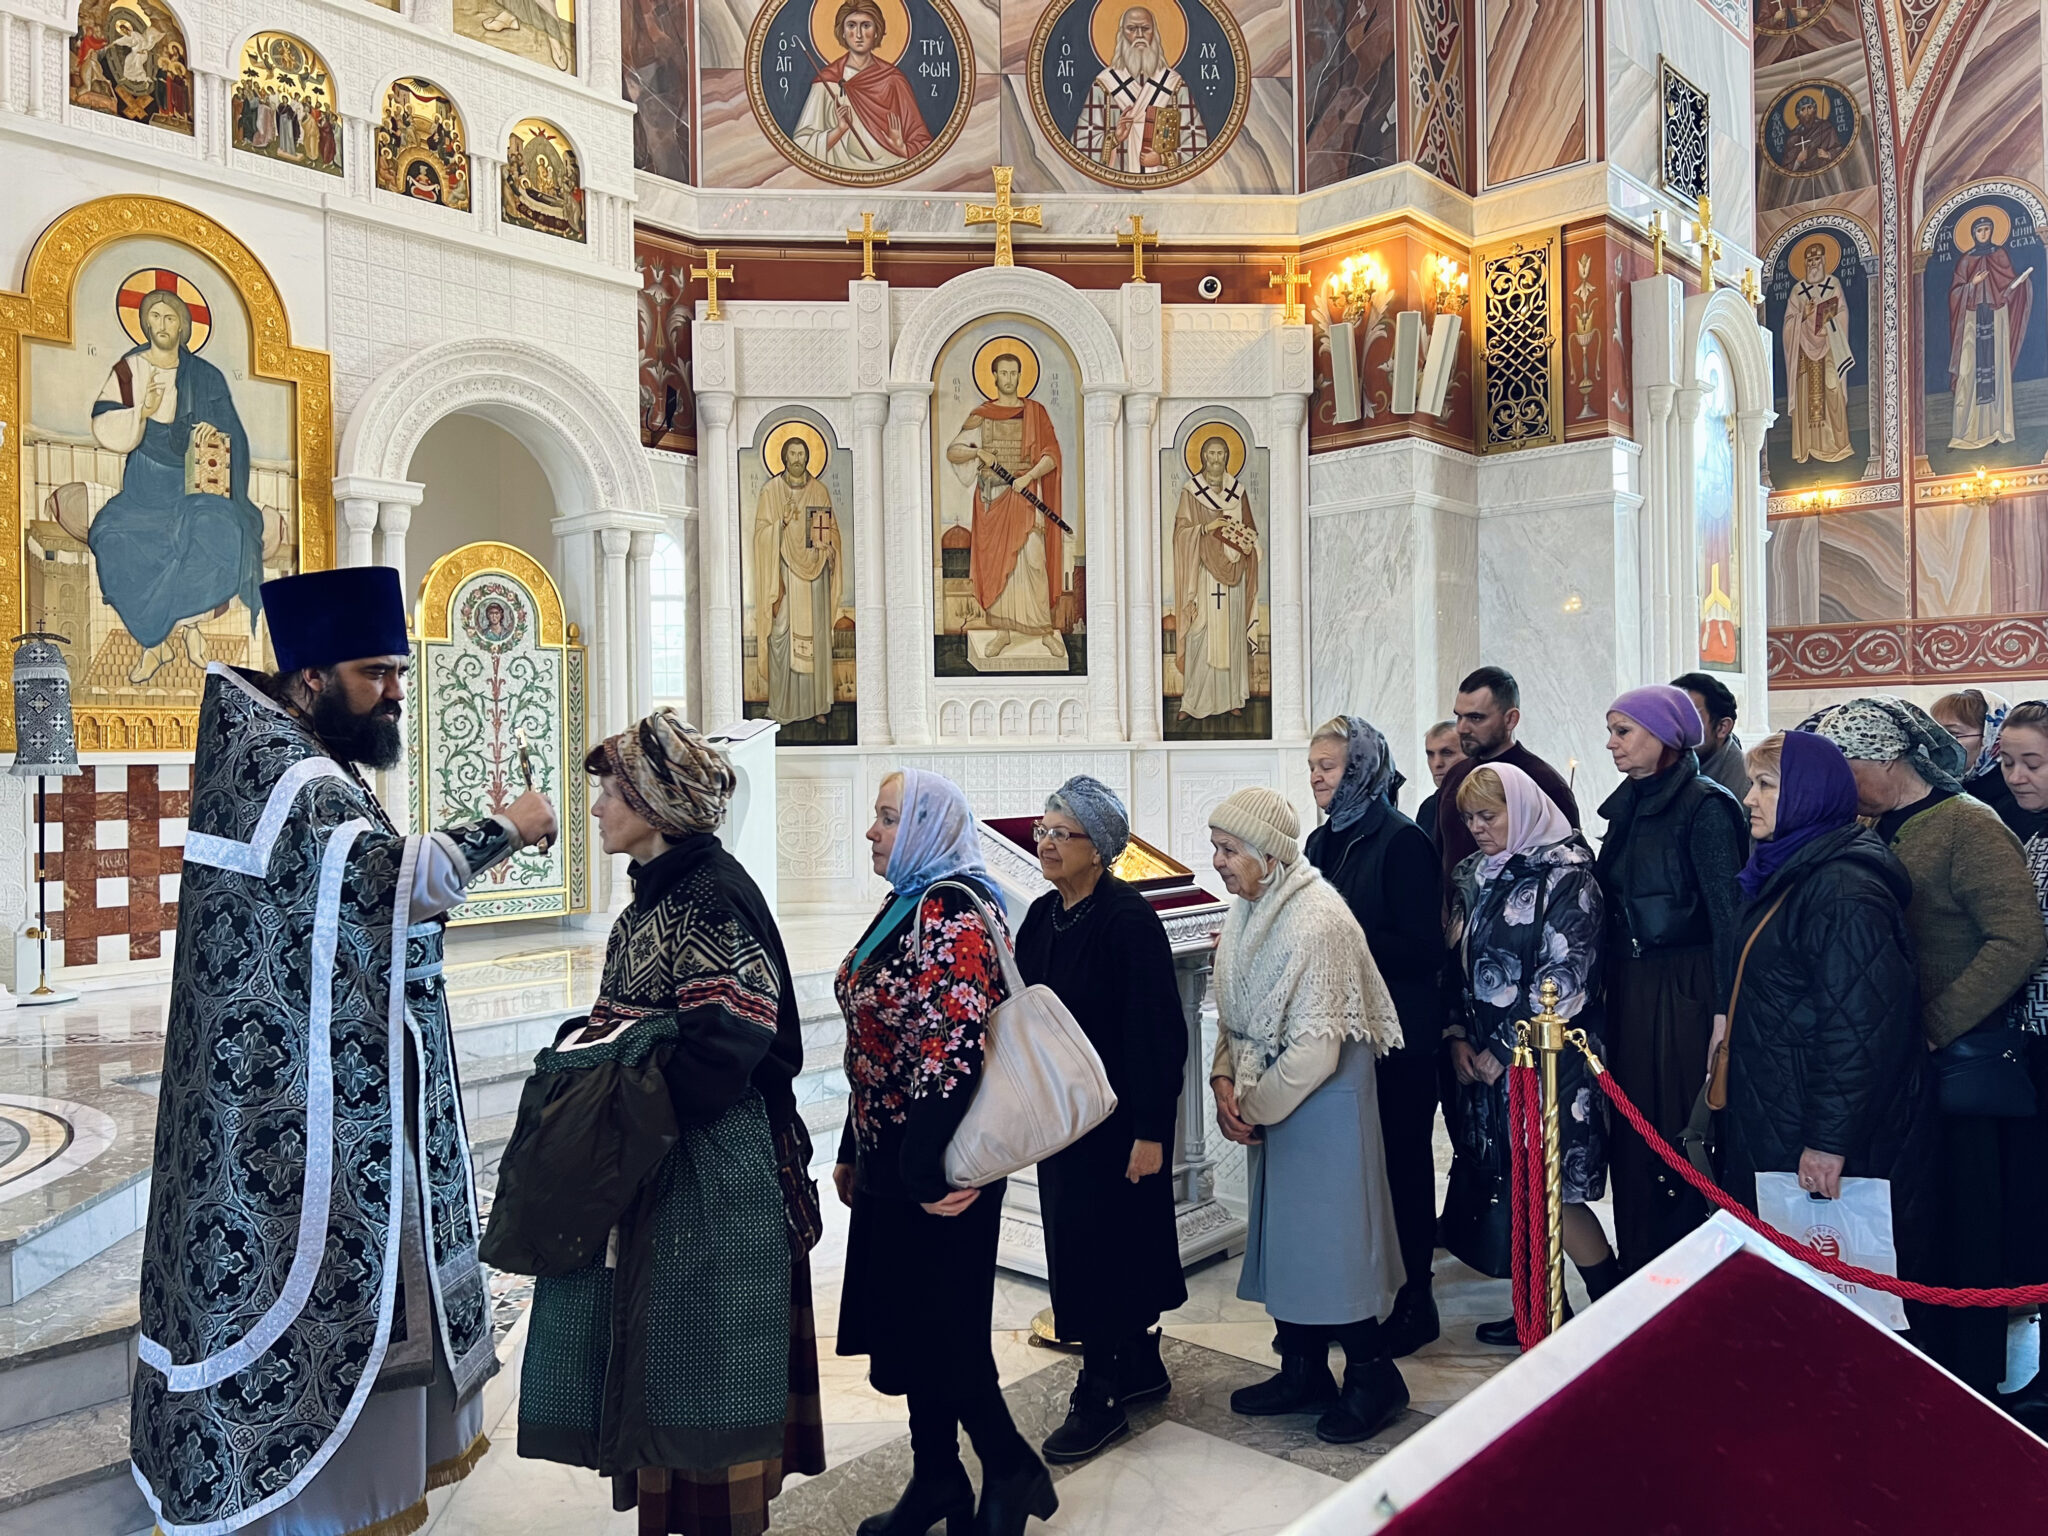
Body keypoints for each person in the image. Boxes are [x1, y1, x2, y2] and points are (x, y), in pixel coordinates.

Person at [130, 567, 559, 1536]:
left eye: (399, 671)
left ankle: (363, 1493)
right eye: (376, 673)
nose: (395, 691)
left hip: (315, 1074)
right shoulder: (293, 774)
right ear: (313, 674)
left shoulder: (295, 752)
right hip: (291, 1105)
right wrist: (510, 827)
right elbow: (390, 879)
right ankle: (313, 1511)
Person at [507, 709, 825, 1535]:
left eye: (612, 792)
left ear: (656, 804)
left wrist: (616, 1112)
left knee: (708, 1391)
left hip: (714, 1183)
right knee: (664, 1383)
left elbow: (728, 1045)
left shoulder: (710, 897)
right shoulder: (657, 894)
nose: (597, 807)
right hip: (669, 1173)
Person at [833, 770, 1057, 1536]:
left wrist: (924, 1172)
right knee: (913, 1332)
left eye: (889, 817)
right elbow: (880, 1040)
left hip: (942, 1159)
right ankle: (937, 1480)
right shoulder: (906, 902)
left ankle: (1011, 1468)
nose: (873, 831)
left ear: (929, 829)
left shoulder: (953, 912)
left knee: (947, 1333)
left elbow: (951, 1048)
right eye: (878, 815)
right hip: (894, 1152)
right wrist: (854, 1145)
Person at [1804, 696, 2047, 1395]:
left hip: (1957, 1066)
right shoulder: (1869, 824)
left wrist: (1937, 1025)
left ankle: (1970, 1380)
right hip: (1902, 1066)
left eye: (1845, 766)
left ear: (1886, 760)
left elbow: (2017, 940)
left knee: (1968, 1230)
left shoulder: (1967, 825)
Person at [1206, 787, 1410, 1445]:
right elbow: (1234, 1010)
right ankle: (1302, 1369)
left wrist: (1250, 1106)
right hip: (1276, 1104)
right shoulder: (1250, 909)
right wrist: (1223, 1078)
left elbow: (1317, 1052)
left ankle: (1374, 1377)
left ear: (1269, 855)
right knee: (1288, 1246)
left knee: (1334, 1249)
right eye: (1217, 847)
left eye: (1228, 849)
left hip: (1323, 1114)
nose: (1218, 861)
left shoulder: (1318, 920)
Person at [1721, 731, 1934, 1296]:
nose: (1750, 798)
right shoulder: (1792, 870)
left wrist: (1827, 1141)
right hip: (1782, 1108)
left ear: (1809, 794)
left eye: (1767, 785)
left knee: (1839, 1295)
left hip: (1816, 1128)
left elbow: (1860, 1030)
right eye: (1753, 784)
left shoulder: (1842, 890)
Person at [1014, 776, 1187, 1462]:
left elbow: (1157, 1034)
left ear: (1101, 847)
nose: (1047, 843)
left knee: (1112, 1250)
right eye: (1043, 831)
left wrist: (1152, 1132)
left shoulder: (1127, 920)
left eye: (1063, 834)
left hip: (1119, 1122)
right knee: (1077, 1245)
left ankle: (1102, 1392)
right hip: (1064, 1119)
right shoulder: (1042, 915)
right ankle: (1138, 1364)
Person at [1446, 763, 1618, 1345]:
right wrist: (1457, 1034)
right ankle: (1541, 1307)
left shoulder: (1566, 875)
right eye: (1469, 818)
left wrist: (1503, 1044)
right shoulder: (1473, 873)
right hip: (1488, 1061)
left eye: (1488, 815)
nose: (1477, 828)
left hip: (1550, 1057)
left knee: (1555, 1188)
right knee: (1521, 1185)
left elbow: (1567, 974)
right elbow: (1454, 962)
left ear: (1520, 811)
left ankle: (1613, 1303)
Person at [1594, 686, 1748, 1273]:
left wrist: (1723, 1012)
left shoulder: (1706, 806)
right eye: (1611, 731)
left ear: (1663, 736)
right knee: (1635, 1129)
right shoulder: (1627, 805)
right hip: (1631, 984)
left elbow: (1727, 919)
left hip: (1686, 987)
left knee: (1680, 1126)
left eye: (1623, 731)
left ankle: (1691, 1270)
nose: (1612, 744)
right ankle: (1642, 1266)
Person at [1303, 718, 1444, 1356]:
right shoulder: (1321, 839)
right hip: (1341, 1027)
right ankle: (1360, 1294)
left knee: (1402, 1166)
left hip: (1398, 1034)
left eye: (1329, 766)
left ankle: (1416, 1300)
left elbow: (1423, 949)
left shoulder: (1402, 840)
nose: (1317, 777)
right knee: (1354, 1170)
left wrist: (1344, 934)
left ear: (1360, 768)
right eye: (1313, 766)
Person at [89, 287, 267, 685]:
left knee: (220, 534)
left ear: (184, 327)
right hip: (144, 488)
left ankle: (189, 627)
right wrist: (142, 412)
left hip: (194, 487)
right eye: (154, 317)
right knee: (110, 536)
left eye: (170, 318)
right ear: (144, 322)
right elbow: (104, 424)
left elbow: (233, 435)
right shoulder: (129, 370)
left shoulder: (206, 376)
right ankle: (155, 644)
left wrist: (214, 431)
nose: (162, 325)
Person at [1988, 701, 2048, 1425]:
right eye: (2007, 762)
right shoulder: (2020, 831)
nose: (2016, 775)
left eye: (2032, 762)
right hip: (2028, 1042)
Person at [945, 352, 1065, 663]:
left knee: (1035, 561)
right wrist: (978, 453)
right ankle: (1002, 632)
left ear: (1020, 376)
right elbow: (954, 451)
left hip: (1025, 497)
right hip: (993, 500)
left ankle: (1045, 631)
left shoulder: (1035, 412)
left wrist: (1029, 476)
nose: (1009, 379)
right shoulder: (983, 416)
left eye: (1014, 373)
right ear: (995, 377)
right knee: (999, 568)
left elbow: (1052, 455)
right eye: (1004, 373)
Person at [1435, 666, 1580, 885]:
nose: (1462, 728)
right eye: (1459, 717)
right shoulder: (1456, 775)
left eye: (1475, 717)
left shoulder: (1545, 783)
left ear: (1511, 719)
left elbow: (1567, 867)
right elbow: (1442, 857)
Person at [752, 434, 843, 725]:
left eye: (801, 453)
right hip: (784, 574)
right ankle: (781, 707)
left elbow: (830, 531)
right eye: (792, 454)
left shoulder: (819, 491)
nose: (797, 459)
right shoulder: (771, 491)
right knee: (781, 633)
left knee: (816, 637)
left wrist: (828, 546)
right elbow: (760, 534)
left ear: (808, 457)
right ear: (783, 457)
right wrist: (781, 524)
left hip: (815, 576)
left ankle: (817, 705)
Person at [1171, 433, 1259, 721]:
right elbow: (1181, 534)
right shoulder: (1191, 492)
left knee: (1231, 634)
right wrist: (1205, 529)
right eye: (1211, 453)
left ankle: (1232, 698)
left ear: (1228, 457)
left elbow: (1250, 530)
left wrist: (1248, 545)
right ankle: (1193, 701)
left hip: (1233, 576)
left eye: (1221, 453)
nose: (1216, 459)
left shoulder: (1238, 492)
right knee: (1200, 632)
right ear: (1202, 457)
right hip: (1203, 574)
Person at [791, 0, 933, 171]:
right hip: (841, 169)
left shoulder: (893, 79)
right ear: (842, 32)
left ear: (876, 31)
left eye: (866, 26)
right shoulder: (827, 82)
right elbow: (802, 145)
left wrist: (901, 147)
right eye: (851, 26)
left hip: (892, 166)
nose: (858, 34)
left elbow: (922, 142)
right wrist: (839, 130)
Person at [1073, 6, 1209, 175]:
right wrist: (1115, 138)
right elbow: (1082, 144)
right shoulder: (1104, 84)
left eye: (1145, 28)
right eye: (1131, 28)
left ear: (1154, 33)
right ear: (1122, 34)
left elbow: (1197, 143)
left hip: (1165, 183)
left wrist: (1163, 159)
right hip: (1118, 181)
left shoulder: (1173, 84)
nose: (1139, 35)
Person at [1948, 212, 2034, 452]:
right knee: (1968, 373)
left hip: (1997, 319)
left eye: (1987, 229)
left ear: (1992, 231)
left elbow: (2009, 288)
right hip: (1971, 320)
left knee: (1996, 372)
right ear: (1973, 234)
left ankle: (1997, 429)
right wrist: (1971, 285)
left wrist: (2019, 285)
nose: (1983, 234)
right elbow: (1955, 294)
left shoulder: (2000, 255)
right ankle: (1965, 432)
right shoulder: (1965, 261)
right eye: (1979, 230)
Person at [1781, 239, 1856, 465]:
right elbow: (1788, 324)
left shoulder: (1833, 284)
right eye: (1809, 260)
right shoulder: (1798, 290)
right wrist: (1803, 315)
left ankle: (1838, 446)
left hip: (1829, 347)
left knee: (1832, 391)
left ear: (1824, 261)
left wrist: (1829, 325)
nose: (1813, 264)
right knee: (1806, 397)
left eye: (1817, 259)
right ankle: (1807, 447)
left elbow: (1842, 313)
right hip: (1804, 351)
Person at [1672, 670, 1750, 799]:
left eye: (1689, 718)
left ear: (1722, 728)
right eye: (1671, 716)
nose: (1675, 727)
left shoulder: (1746, 787)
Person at [1933, 687, 2012, 811]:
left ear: (1990, 737)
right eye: (1935, 733)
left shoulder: (2015, 794)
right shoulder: (1941, 786)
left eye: (1952, 734)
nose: (1937, 744)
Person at [1410, 719, 1461, 846]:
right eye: (1430, 754)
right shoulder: (1429, 808)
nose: (1437, 763)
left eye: (1447, 753)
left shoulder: (1484, 802)